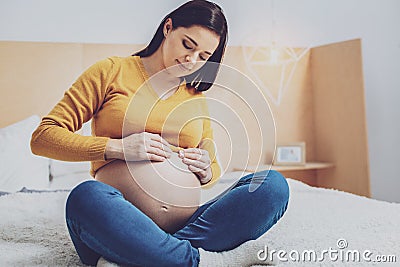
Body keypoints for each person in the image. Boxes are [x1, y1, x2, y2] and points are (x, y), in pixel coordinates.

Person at [30, 0, 289, 266]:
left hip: (188, 225)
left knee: (272, 186)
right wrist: (118, 148)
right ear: (168, 28)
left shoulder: (195, 97)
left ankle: (144, 255)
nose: (192, 60)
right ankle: (202, 260)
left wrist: (207, 170)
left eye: (204, 56)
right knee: (85, 198)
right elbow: (42, 138)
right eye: (188, 45)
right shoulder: (111, 71)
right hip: (116, 222)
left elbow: (211, 162)